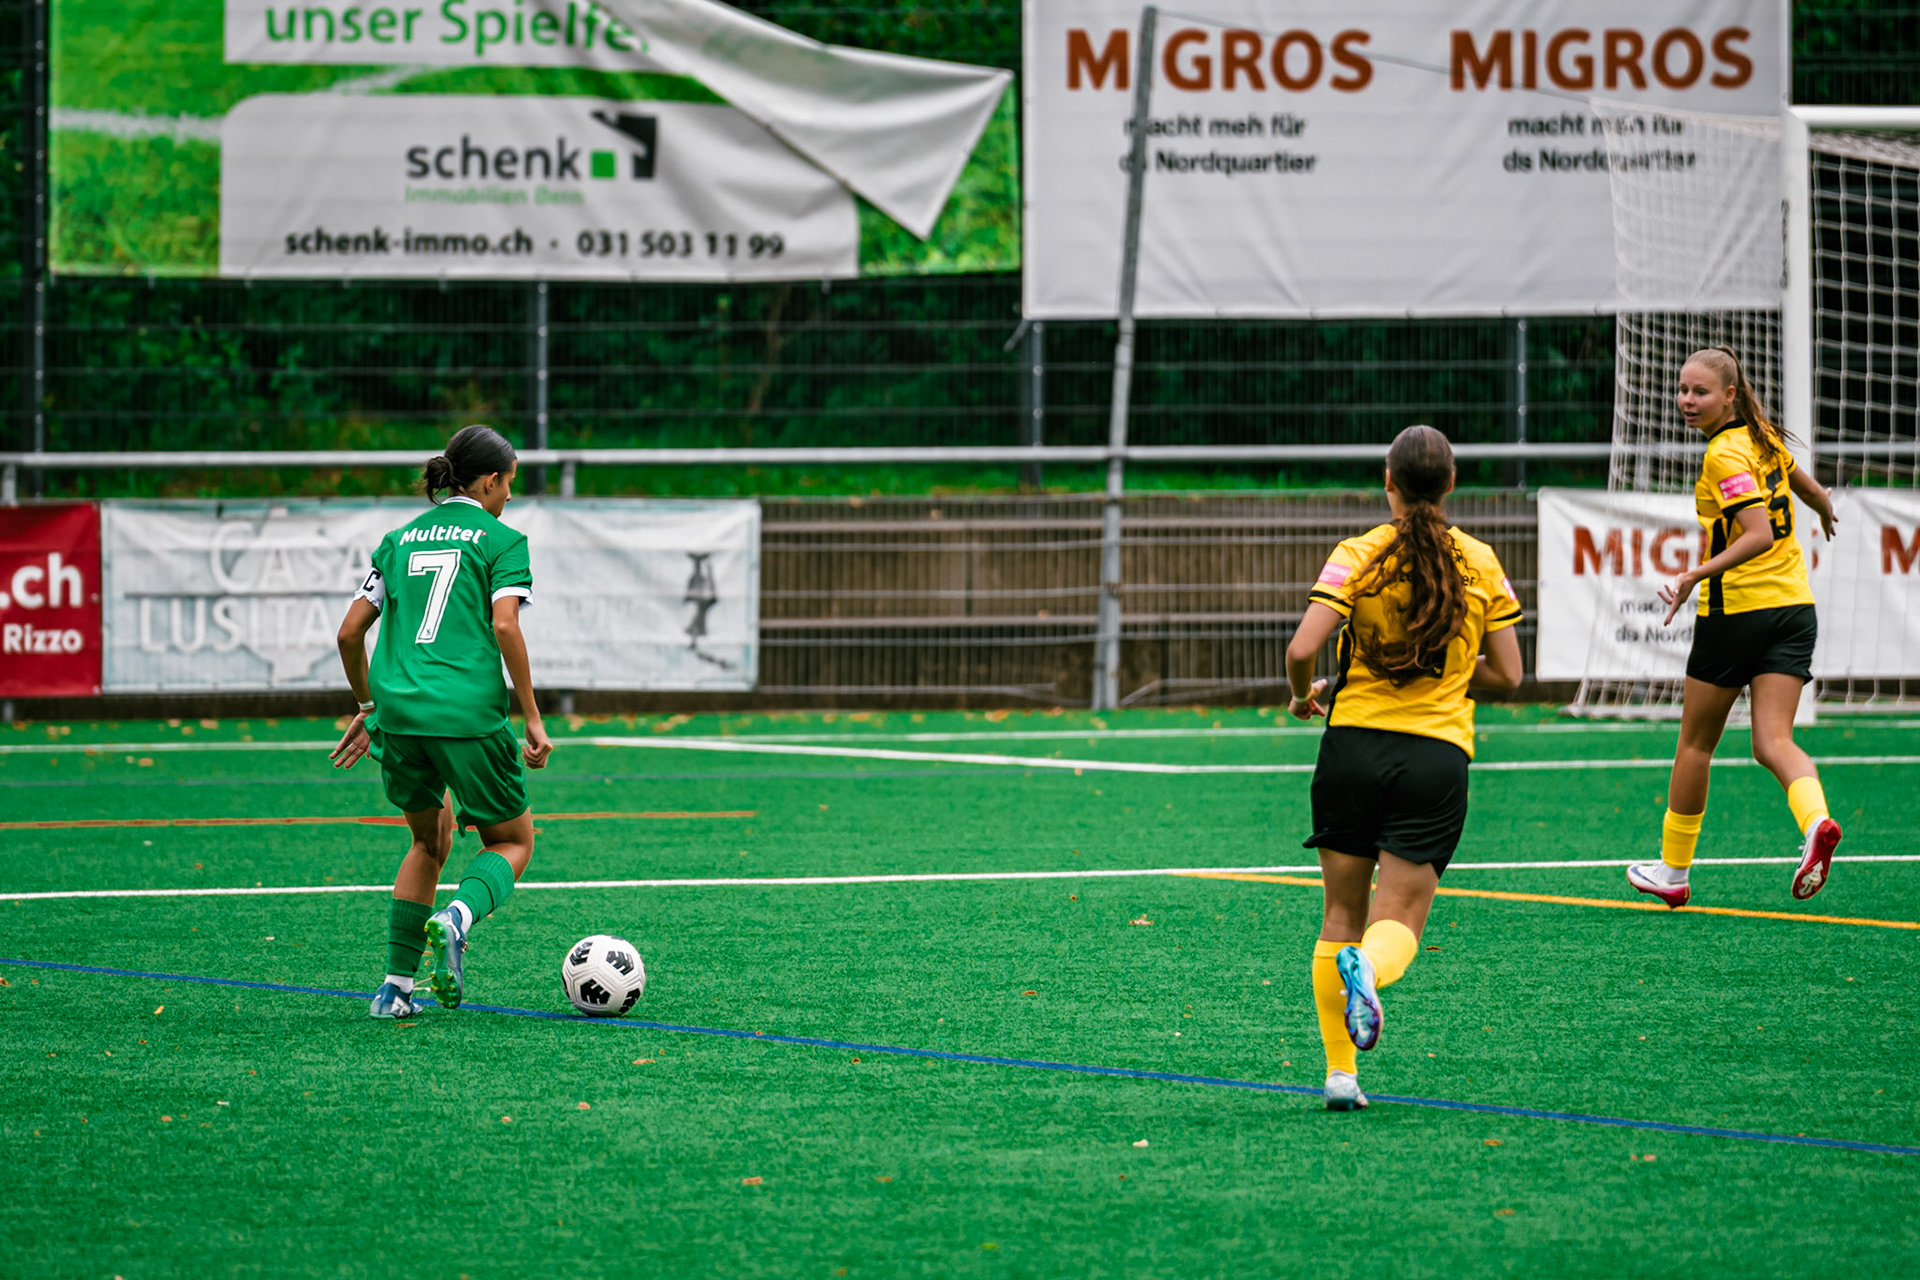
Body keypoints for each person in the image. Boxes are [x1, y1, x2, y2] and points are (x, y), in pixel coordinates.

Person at [1284, 425, 1524, 1112]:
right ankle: (1373, 972)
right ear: (1451, 484)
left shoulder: (1358, 553)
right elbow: (1509, 672)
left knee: (1339, 915)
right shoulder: (1479, 560)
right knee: (1399, 919)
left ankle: (1340, 1075)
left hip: (1351, 748)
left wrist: (1305, 695)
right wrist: (1443, 664)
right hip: (1434, 756)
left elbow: (1303, 648)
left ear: (1387, 482)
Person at [330, 424, 553, 1018]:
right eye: (509, 483)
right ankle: (456, 918)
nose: (510, 496)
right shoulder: (502, 540)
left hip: (398, 716)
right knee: (511, 840)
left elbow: (350, 632)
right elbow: (506, 624)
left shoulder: (397, 540)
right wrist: (532, 716)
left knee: (428, 840)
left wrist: (369, 707)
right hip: (465, 713)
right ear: (488, 481)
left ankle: (393, 992)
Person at [1627, 347, 1841, 910]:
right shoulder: (1765, 437)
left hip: (1737, 614)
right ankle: (1816, 822)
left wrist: (1696, 573)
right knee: (1774, 741)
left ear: (1729, 395)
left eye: (1699, 392)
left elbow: (1757, 534)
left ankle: (1672, 873)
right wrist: (1821, 510)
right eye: (1681, 389)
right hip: (1795, 609)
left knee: (1696, 743)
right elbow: (1812, 491)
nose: (1686, 401)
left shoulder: (1724, 454)